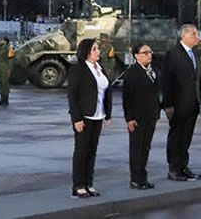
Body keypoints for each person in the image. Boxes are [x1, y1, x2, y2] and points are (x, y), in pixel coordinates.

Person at [67, 39, 112, 199]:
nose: (98, 51)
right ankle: (78, 186)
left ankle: (88, 183)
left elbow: (107, 91)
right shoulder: (78, 69)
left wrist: (108, 113)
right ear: (86, 51)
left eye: (97, 49)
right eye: (95, 49)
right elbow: (72, 95)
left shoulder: (100, 68)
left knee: (92, 151)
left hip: (98, 115)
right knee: (81, 151)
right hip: (84, 116)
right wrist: (76, 118)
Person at [161, 24, 201, 182]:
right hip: (178, 104)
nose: (196, 37)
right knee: (176, 137)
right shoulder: (173, 54)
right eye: (193, 34)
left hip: (192, 103)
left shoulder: (194, 54)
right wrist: (168, 104)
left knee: (186, 137)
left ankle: (183, 166)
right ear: (183, 36)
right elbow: (166, 80)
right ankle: (174, 168)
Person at [122, 43, 160, 190]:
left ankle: (143, 177)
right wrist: (129, 118)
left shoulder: (152, 71)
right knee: (137, 148)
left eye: (150, 52)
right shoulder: (132, 73)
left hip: (151, 116)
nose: (149, 55)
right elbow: (127, 98)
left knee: (145, 147)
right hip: (137, 117)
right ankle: (136, 179)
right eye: (145, 53)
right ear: (136, 56)